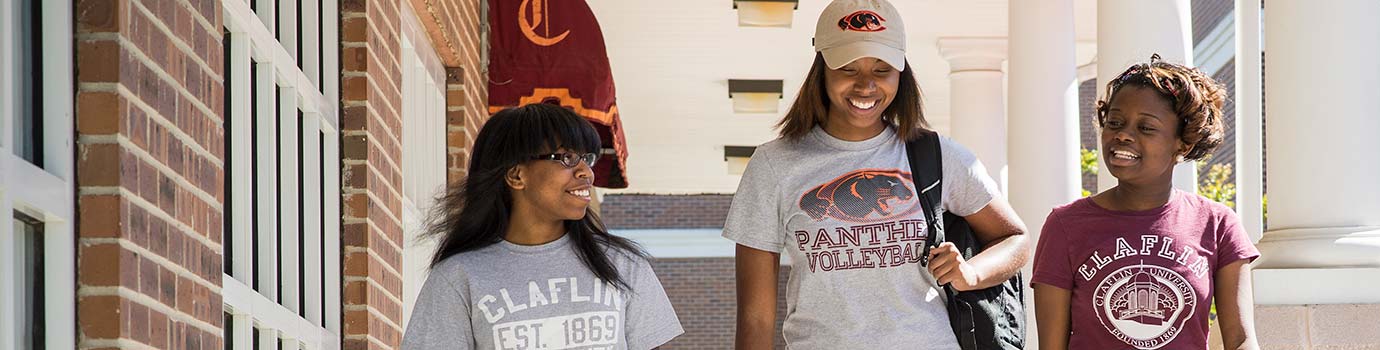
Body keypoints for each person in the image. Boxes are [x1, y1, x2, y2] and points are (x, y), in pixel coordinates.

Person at [723, 0, 1032, 349]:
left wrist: (971, 273)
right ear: (822, 68)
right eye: (849, 69)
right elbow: (755, 318)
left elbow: (1015, 239)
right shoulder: (774, 165)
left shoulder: (936, 155)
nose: (866, 85)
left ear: (901, 72)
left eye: (882, 69)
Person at [401, 103, 683, 350]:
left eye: (587, 158)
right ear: (516, 175)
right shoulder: (458, 278)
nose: (586, 172)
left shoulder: (624, 266)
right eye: (567, 158)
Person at [1032, 57, 1260, 350]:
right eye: (1114, 122)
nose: (1123, 134)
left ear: (1183, 143)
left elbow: (1241, 339)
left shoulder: (1217, 224)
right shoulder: (1064, 226)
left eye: (1146, 127)